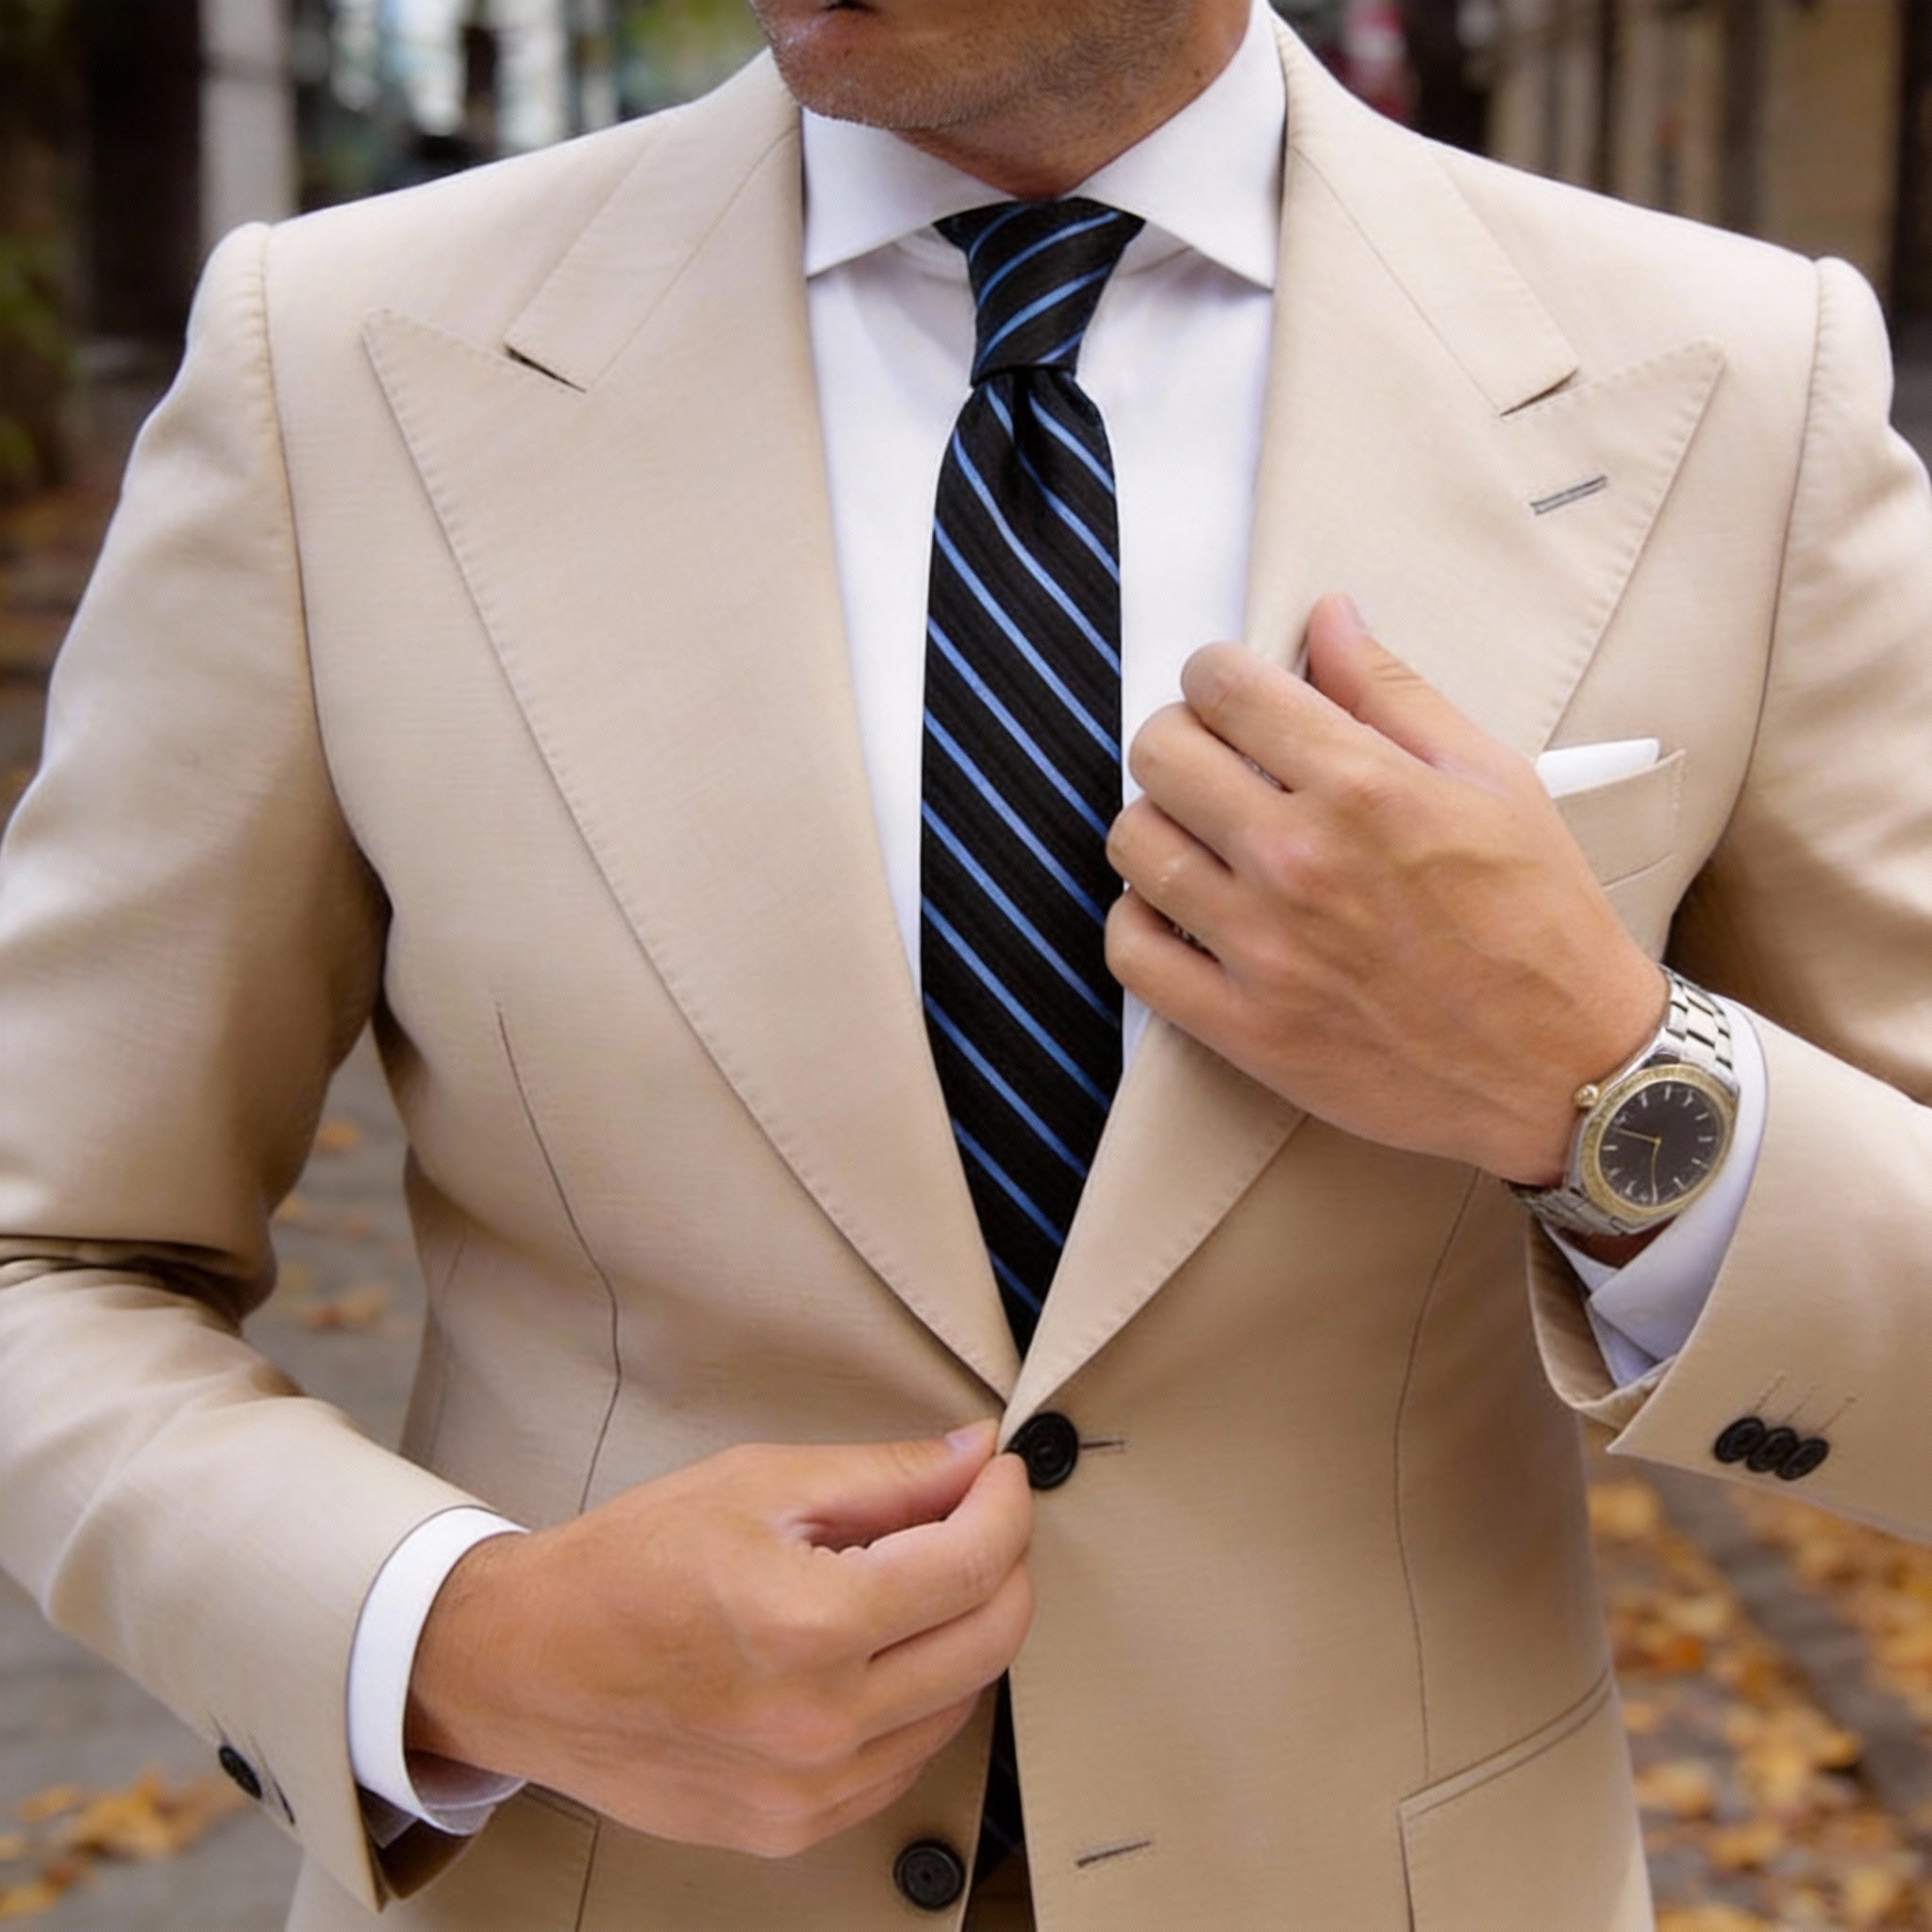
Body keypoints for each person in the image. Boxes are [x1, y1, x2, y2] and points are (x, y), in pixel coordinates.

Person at [0, 0, 1927, 1925]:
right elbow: (46, 1251)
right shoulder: (335, 363)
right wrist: (455, 1636)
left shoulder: (1733, 388)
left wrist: (1603, 1082)